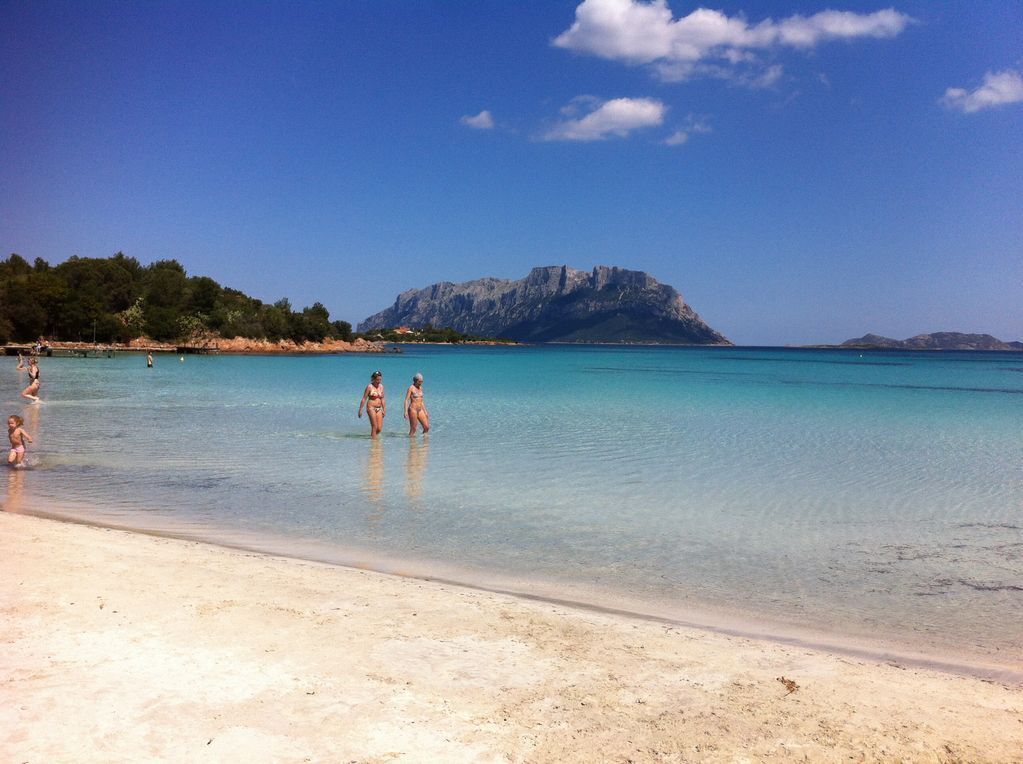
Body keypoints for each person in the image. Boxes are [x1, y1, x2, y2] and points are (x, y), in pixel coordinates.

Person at [358, 370, 386, 437]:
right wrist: (360, 410)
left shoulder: (381, 386)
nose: (379, 381)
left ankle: (373, 438)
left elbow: (382, 399)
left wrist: (384, 409)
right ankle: (374, 442)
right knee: (374, 426)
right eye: (377, 380)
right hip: (371, 408)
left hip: (379, 408)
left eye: (380, 379)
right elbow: (364, 398)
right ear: (373, 379)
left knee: (379, 429)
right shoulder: (369, 387)